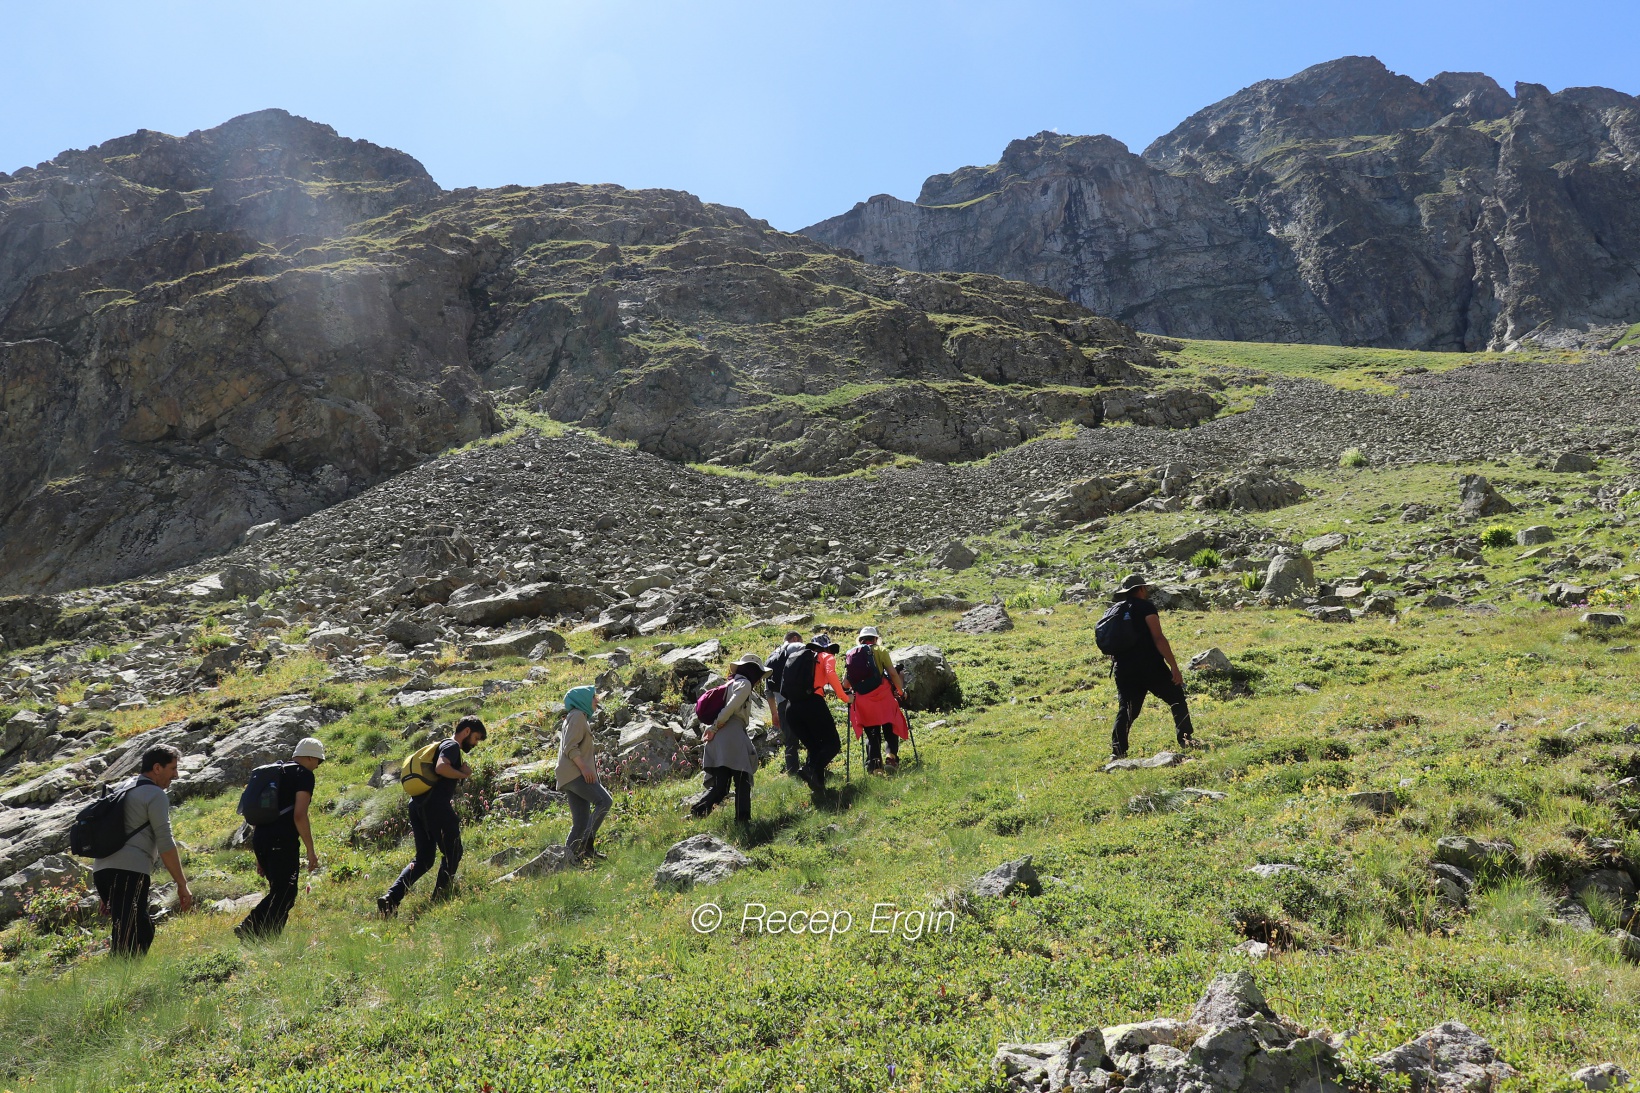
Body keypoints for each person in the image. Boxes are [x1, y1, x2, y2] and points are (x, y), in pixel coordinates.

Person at [378, 715, 486, 916]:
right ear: (467, 732)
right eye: (477, 738)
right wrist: (464, 774)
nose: (476, 743)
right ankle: (440, 898)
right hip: (435, 806)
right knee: (453, 850)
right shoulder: (452, 746)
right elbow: (441, 767)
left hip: (417, 805)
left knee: (425, 859)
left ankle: (391, 898)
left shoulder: (438, 745)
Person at [92, 745, 193, 957]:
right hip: (129, 871)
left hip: (103, 870)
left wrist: (106, 892)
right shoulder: (154, 794)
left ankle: (122, 977)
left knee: (131, 928)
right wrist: (182, 884)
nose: (176, 775)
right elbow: (165, 841)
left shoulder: (122, 787)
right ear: (157, 768)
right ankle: (122, 982)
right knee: (136, 933)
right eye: (173, 768)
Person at [237, 737, 325, 940]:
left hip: (261, 839)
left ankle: (261, 937)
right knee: (286, 892)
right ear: (311, 757)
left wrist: (260, 857)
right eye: (319, 761)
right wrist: (310, 850)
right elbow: (299, 815)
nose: (318, 766)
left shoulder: (274, 773)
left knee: (279, 890)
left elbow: (261, 816)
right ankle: (253, 929)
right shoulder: (304, 775)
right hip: (282, 840)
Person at [1106, 574, 1197, 761]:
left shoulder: (1115, 610)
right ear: (1140, 589)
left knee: (1128, 709)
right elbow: (1158, 638)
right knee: (1176, 697)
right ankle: (1185, 739)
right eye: (1145, 588)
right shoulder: (1146, 607)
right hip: (1150, 666)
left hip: (1123, 668)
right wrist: (1174, 666)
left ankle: (1118, 751)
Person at [692, 654, 765, 825]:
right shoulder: (745, 683)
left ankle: (697, 813)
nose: (760, 680)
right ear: (753, 671)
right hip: (730, 734)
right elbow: (731, 707)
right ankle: (742, 820)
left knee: (721, 786)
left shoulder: (731, 683)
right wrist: (715, 726)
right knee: (742, 777)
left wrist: (714, 728)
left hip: (720, 737)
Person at [780, 633, 851, 791]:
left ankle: (819, 787)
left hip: (791, 708)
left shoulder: (798, 658)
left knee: (815, 747)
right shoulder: (825, 656)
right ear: (826, 648)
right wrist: (845, 697)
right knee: (832, 744)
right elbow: (831, 674)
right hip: (812, 703)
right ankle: (810, 770)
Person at [557, 686, 612, 861]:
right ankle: (587, 846)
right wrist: (585, 769)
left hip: (568, 776)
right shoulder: (578, 716)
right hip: (575, 774)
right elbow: (570, 748)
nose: (597, 701)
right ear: (582, 699)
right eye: (593, 698)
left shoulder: (575, 717)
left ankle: (569, 860)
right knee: (604, 801)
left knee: (580, 822)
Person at [846, 626, 910, 773]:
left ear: (860, 640)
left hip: (863, 700)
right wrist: (900, 692)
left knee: (872, 733)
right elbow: (893, 674)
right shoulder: (880, 651)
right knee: (890, 726)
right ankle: (891, 757)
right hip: (883, 697)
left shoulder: (852, 653)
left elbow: (846, 683)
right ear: (875, 639)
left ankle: (876, 768)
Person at [764, 631, 806, 777]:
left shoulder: (771, 657)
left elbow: (768, 690)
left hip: (782, 705)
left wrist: (774, 713)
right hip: (799, 700)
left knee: (790, 741)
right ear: (795, 639)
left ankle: (793, 774)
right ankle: (812, 770)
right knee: (810, 736)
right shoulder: (796, 648)